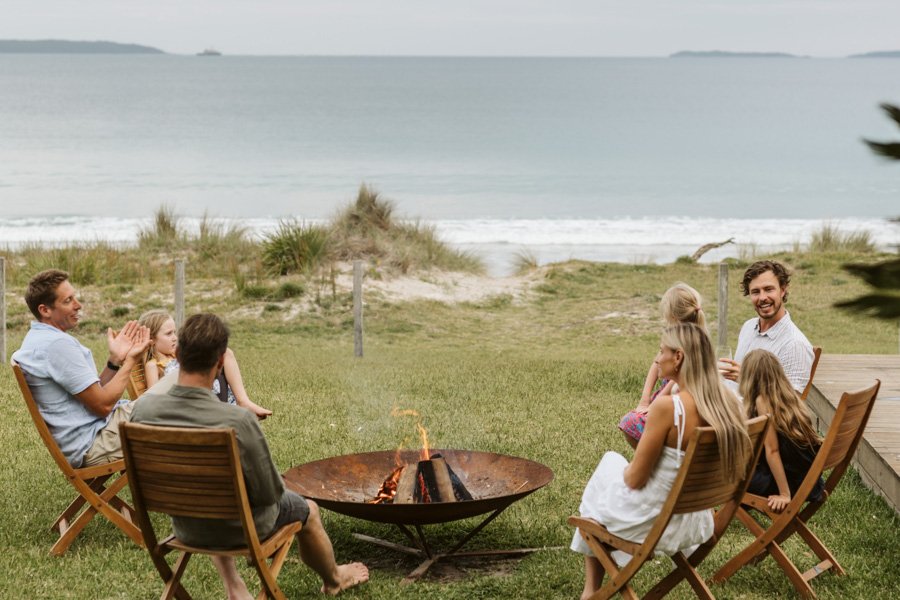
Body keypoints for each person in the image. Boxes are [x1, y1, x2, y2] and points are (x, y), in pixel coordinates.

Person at [130, 313, 368, 599]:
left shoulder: (142, 413)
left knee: (215, 494)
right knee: (307, 510)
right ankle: (334, 580)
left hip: (186, 526)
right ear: (220, 362)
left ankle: (233, 584)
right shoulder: (238, 421)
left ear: (179, 354)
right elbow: (269, 494)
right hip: (243, 530)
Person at [571, 323, 751, 600]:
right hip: (695, 523)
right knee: (608, 475)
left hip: (655, 525)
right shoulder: (731, 404)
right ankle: (591, 590)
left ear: (677, 357)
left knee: (608, 466)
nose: (657, 358)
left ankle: (591, 591)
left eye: (661, 350)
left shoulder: (669, 409)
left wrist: (626, 469)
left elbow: (635, 479)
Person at [11, 269, 150, 467]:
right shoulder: (56, 345)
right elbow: (102, 406)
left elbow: (93, 395)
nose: (78, 305)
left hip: (95, 433)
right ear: (45, 310)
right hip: (96, 440)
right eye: (68, 301)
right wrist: (131, 360)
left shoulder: (39, 338)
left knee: (176, 398)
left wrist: (115, 360)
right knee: (178, 396)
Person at [138, 309, 272, 418]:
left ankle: (243, 400)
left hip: (213, 395)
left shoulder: (180, 356)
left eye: (175, 332)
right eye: (168, 334)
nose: (174, 337)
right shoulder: (153, 365)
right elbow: (153, 399)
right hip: (190, 404)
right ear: (152, 339)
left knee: (225, 353)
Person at [618, 283, 705, 446]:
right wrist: (645, 400)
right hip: (666, 395)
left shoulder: (691, 341)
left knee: (630, 422)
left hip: (676, 397)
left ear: (672, 315)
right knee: (633, 420)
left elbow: (679, 379)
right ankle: (652, 457)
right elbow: (655, 363)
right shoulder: (672, 335)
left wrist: (658, 402)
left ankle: (651, 460)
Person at [740, 349, 824, 512]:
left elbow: (772, 450)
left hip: (789, 484)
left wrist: (784, 494)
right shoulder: (788, 397)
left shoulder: (763, 400)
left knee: (730, 477)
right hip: (809, 481)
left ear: (749, 378)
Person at [719, 260, 814, 393]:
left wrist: (746, 379)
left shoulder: (795, 344)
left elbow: (789, 405)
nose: (762, 297)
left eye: (769, 289)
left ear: (782, 290)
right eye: (756, 292)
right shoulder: (748, 326)